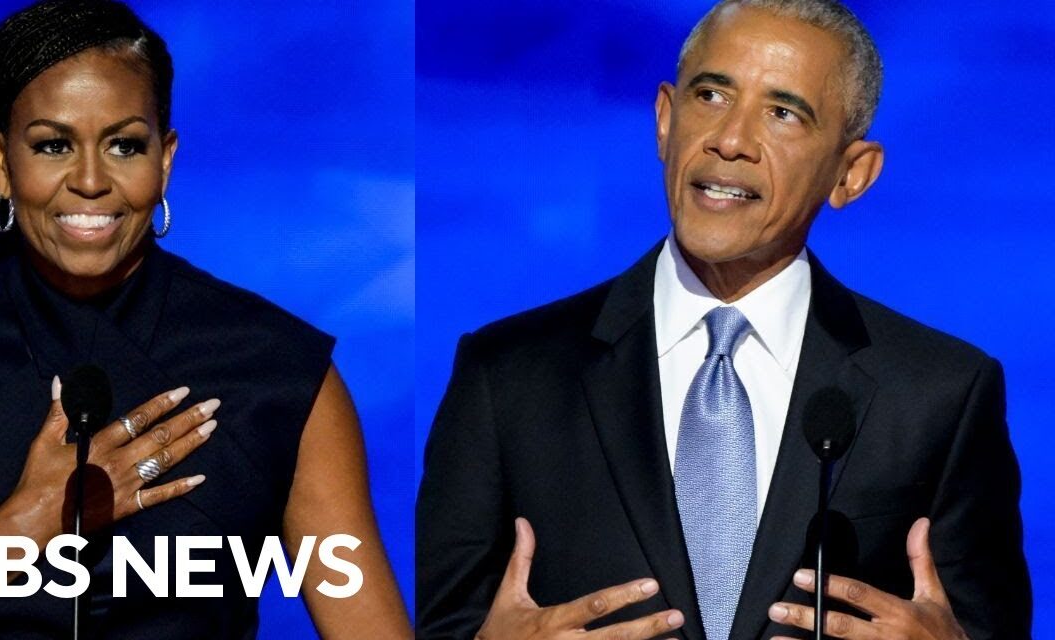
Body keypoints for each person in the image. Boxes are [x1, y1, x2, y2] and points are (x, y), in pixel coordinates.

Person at [0, 1, 411, 638]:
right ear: (0, 161)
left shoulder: (280, 373)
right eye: (52, 145)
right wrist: (13, 533)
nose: (88, 181)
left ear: (164, 160)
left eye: (124, 145)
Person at [415, 1, 1030, 639]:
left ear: (851, 174)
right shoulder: (509, 374)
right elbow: (446, 623)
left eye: (784, 113)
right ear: (664, 119)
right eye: (710, 95)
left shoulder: (941, 393)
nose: (730, 141)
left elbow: (985, 624)